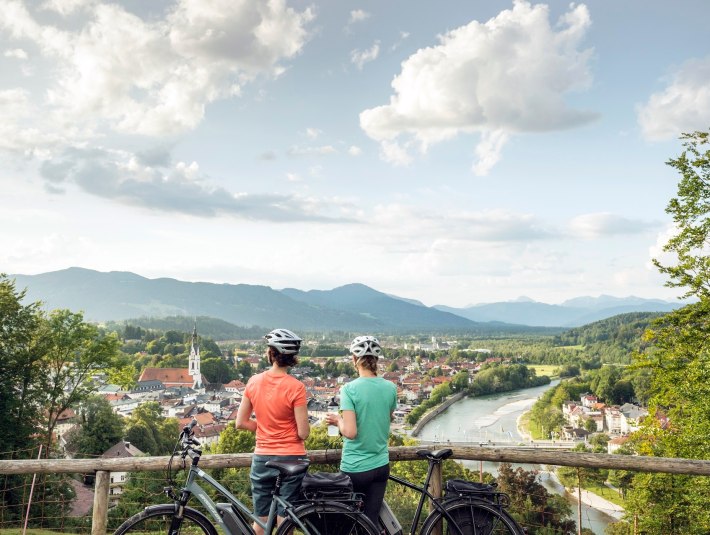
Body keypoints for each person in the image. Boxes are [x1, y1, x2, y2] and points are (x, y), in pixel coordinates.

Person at [236, 328, 310, 535]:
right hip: (292, 459)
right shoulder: (296, 387)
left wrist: (264, 428)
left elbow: (240, 422)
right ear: (292, 358)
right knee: (285, 519)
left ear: (270, 353)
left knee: (260, 520)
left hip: (263, 457)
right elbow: (303, 433)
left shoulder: (253, 382)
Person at [325, 335, 398, 528]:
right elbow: (388, 417)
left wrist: (338, 420)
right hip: (381, 465)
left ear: (354, 360)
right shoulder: (390, 387)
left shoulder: (349, 389)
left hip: (355, 467)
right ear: (376, 360)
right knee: (370, 522)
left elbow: (350, 432)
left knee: (345, 523)